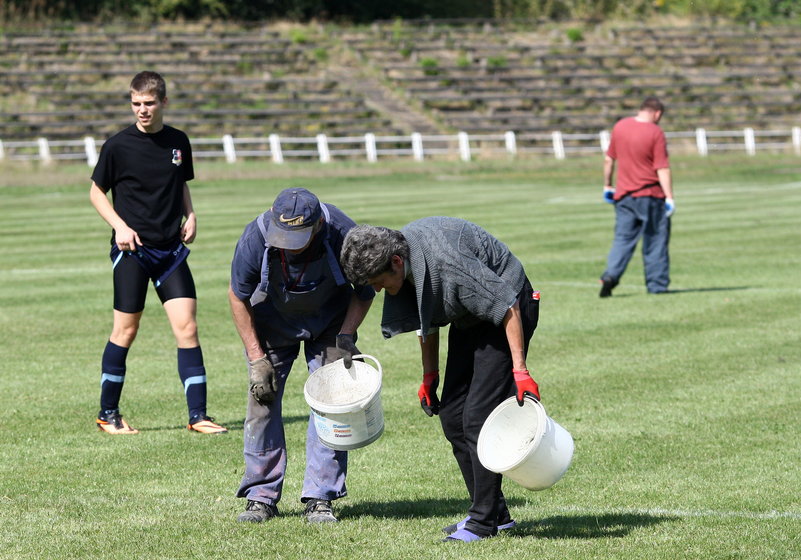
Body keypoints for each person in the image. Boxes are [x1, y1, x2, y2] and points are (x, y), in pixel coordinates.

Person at [340, 218, 541, 542]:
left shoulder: (448, 266)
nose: (377, 290)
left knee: (478, 419)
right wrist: (429, 376)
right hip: (471, 315)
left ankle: (483, 521)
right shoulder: (407, 262)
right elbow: (427, 317)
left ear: (396, 261)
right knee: (452, 416)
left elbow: (506, 305)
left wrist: (520, 371)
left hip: (509, 309)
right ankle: (495, 514)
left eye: (378, 281)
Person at [89, 70, 227, 435]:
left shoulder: (179, 142)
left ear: (163, 102)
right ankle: (108, 415)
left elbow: (180, 183)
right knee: (126, 330)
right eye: (136, 104)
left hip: (171, 252)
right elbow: (95, 193)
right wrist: (119, 226)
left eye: (149, 103)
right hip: (132, 251)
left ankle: (198, 416)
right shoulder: (117, 146)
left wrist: (192, 213)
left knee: (188, 328)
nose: (142, 110)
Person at [228, 187, 375, 524]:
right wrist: (256, 359)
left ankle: (320, 497)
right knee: (261, 401)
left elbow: (365, 290)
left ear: (319, 223)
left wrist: (347, 335)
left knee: (331, 403)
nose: (287, 243)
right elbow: (238, 296)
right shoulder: (256, 236)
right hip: (271, 321)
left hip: (330, 323)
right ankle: (260, 496)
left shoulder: (342, 233)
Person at [600, 96, 675, 297]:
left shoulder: (620, 127)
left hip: (624, 196)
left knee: (623, 240)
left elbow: (609, 159)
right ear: (657, 113)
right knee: (655, 241)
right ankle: (657, 286)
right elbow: (662, 168)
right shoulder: (655, 132)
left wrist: (608, 185)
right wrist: (669, 197)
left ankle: (610, 276)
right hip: (651, 195)